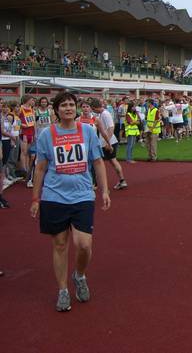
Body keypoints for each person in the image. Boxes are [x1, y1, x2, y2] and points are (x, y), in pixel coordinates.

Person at [30, 91, 111, 312]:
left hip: (82, 194)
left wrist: (104, 190)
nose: (68, 108)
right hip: (54, 196)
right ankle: (63, 290)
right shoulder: (47, 134)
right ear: (56, 110)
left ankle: (79, 275)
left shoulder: (87, 131)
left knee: (84, 244)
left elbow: (98, 162)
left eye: (71, 105)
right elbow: (40, 167)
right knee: (59, 245)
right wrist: (36, 198)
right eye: (64, 105)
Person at [90, 99, 128, 190]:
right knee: (112, 161)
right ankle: (122, 180)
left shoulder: (105, 114)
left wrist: (108, 142)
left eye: (92, 109)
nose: (93, 111)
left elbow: (111, 128)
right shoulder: (102, 114)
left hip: (107, 143)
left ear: (95, 107)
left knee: (97, 162)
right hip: (107, 142)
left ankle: (95, 184)